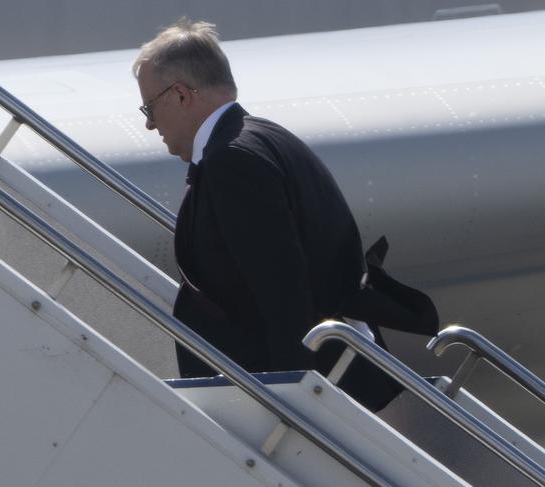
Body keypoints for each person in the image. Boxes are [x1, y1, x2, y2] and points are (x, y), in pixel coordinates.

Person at [133, 19, 437, 412]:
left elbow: (282, 291)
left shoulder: (233, 160)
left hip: (314, 397)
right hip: (333, 377)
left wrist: (289, 401)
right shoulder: (263, 137)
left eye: (149, 106)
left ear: (180, 95)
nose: (149, 123)